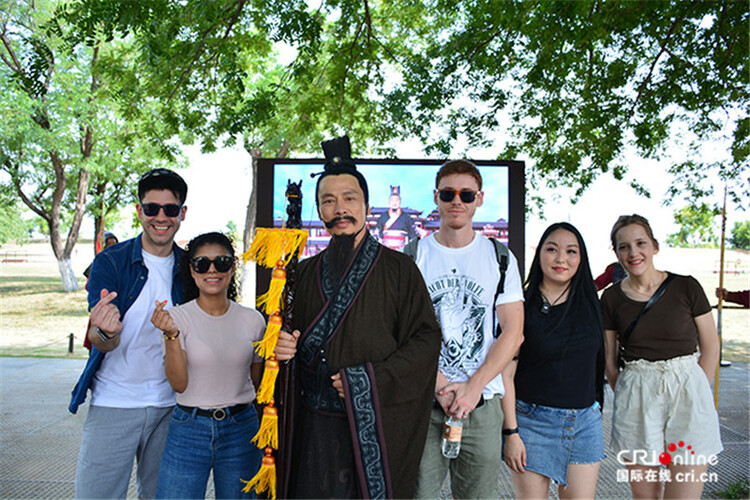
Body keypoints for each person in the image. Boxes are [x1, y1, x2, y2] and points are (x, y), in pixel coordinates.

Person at [273, 136, 442, 499]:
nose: (340, 209)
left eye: (350, 198)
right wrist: (280, 346)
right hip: (311, 427)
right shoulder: (300, 274)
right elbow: (278, 337)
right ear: (319, 211)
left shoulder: (400, 269)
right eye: (328, 201)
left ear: (367, 206)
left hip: (370, 425)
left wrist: (366, 379)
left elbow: (425, 341)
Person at [69, 168, 188, 499]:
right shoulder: (110, 261)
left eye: (170, 209)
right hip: (114, 402)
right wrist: (106, 331)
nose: (160, 217)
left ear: (182, 213)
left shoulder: (191, 267)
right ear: (139, 211)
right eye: (152, 208)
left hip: (171, 408)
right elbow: (101, 339)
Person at [410, 160, 525, 499]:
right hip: (425, 404)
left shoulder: (499, 257)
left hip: (483, 405)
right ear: (436, 197)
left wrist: (474, 387)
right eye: (448, 194)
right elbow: (401, 334)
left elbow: (514, 331)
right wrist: (440, 385)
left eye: (466, 194)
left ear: (480, 198)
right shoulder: (413, 256)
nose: (456, 201)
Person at [601, 214, 722, 499]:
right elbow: (609, 360)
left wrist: (696, 387)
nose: (633, 252)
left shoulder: (686, 287)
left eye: (640, 243)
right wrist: (629, 390)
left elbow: (711, 346)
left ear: (654, 246)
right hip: (637, 394)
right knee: (645, 496)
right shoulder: (611, 298)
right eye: (624, 246)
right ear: (617, 253)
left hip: (688, 392)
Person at [150, 232, 264, 499]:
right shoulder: (175, 318)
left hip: (241, 427)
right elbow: (179, 384)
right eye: (202, 263)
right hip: (189, 428)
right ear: (192, 270)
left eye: (221, 262)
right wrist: (171, 336)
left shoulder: (253, 320)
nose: (212, 270)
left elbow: (255, 380)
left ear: (233, 267)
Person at [502, 222, 604, 499]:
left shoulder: (592, 303)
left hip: (585, 423)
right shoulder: (519, 305)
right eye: (552, 249)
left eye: (571, 251)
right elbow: (505, 375)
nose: (561, 259)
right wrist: (511, 433)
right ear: (539, 255)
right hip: (531, 423)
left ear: (581, 259)